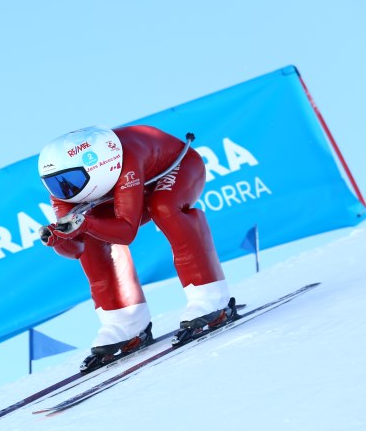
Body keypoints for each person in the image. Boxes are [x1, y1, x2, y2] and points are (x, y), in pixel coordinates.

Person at [37, 125, 235, 372]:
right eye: (56, 183)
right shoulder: (64, 193)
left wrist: (84, 223)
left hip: (176, 168)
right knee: (91, 236)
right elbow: (76, 249)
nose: (67, 190)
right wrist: (58, 239)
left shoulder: (126, 159)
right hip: (130, 186)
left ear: (98, 166)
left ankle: (210, 297)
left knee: (164, 207)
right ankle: (123, 321)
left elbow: (126, 231)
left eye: (72, 180)